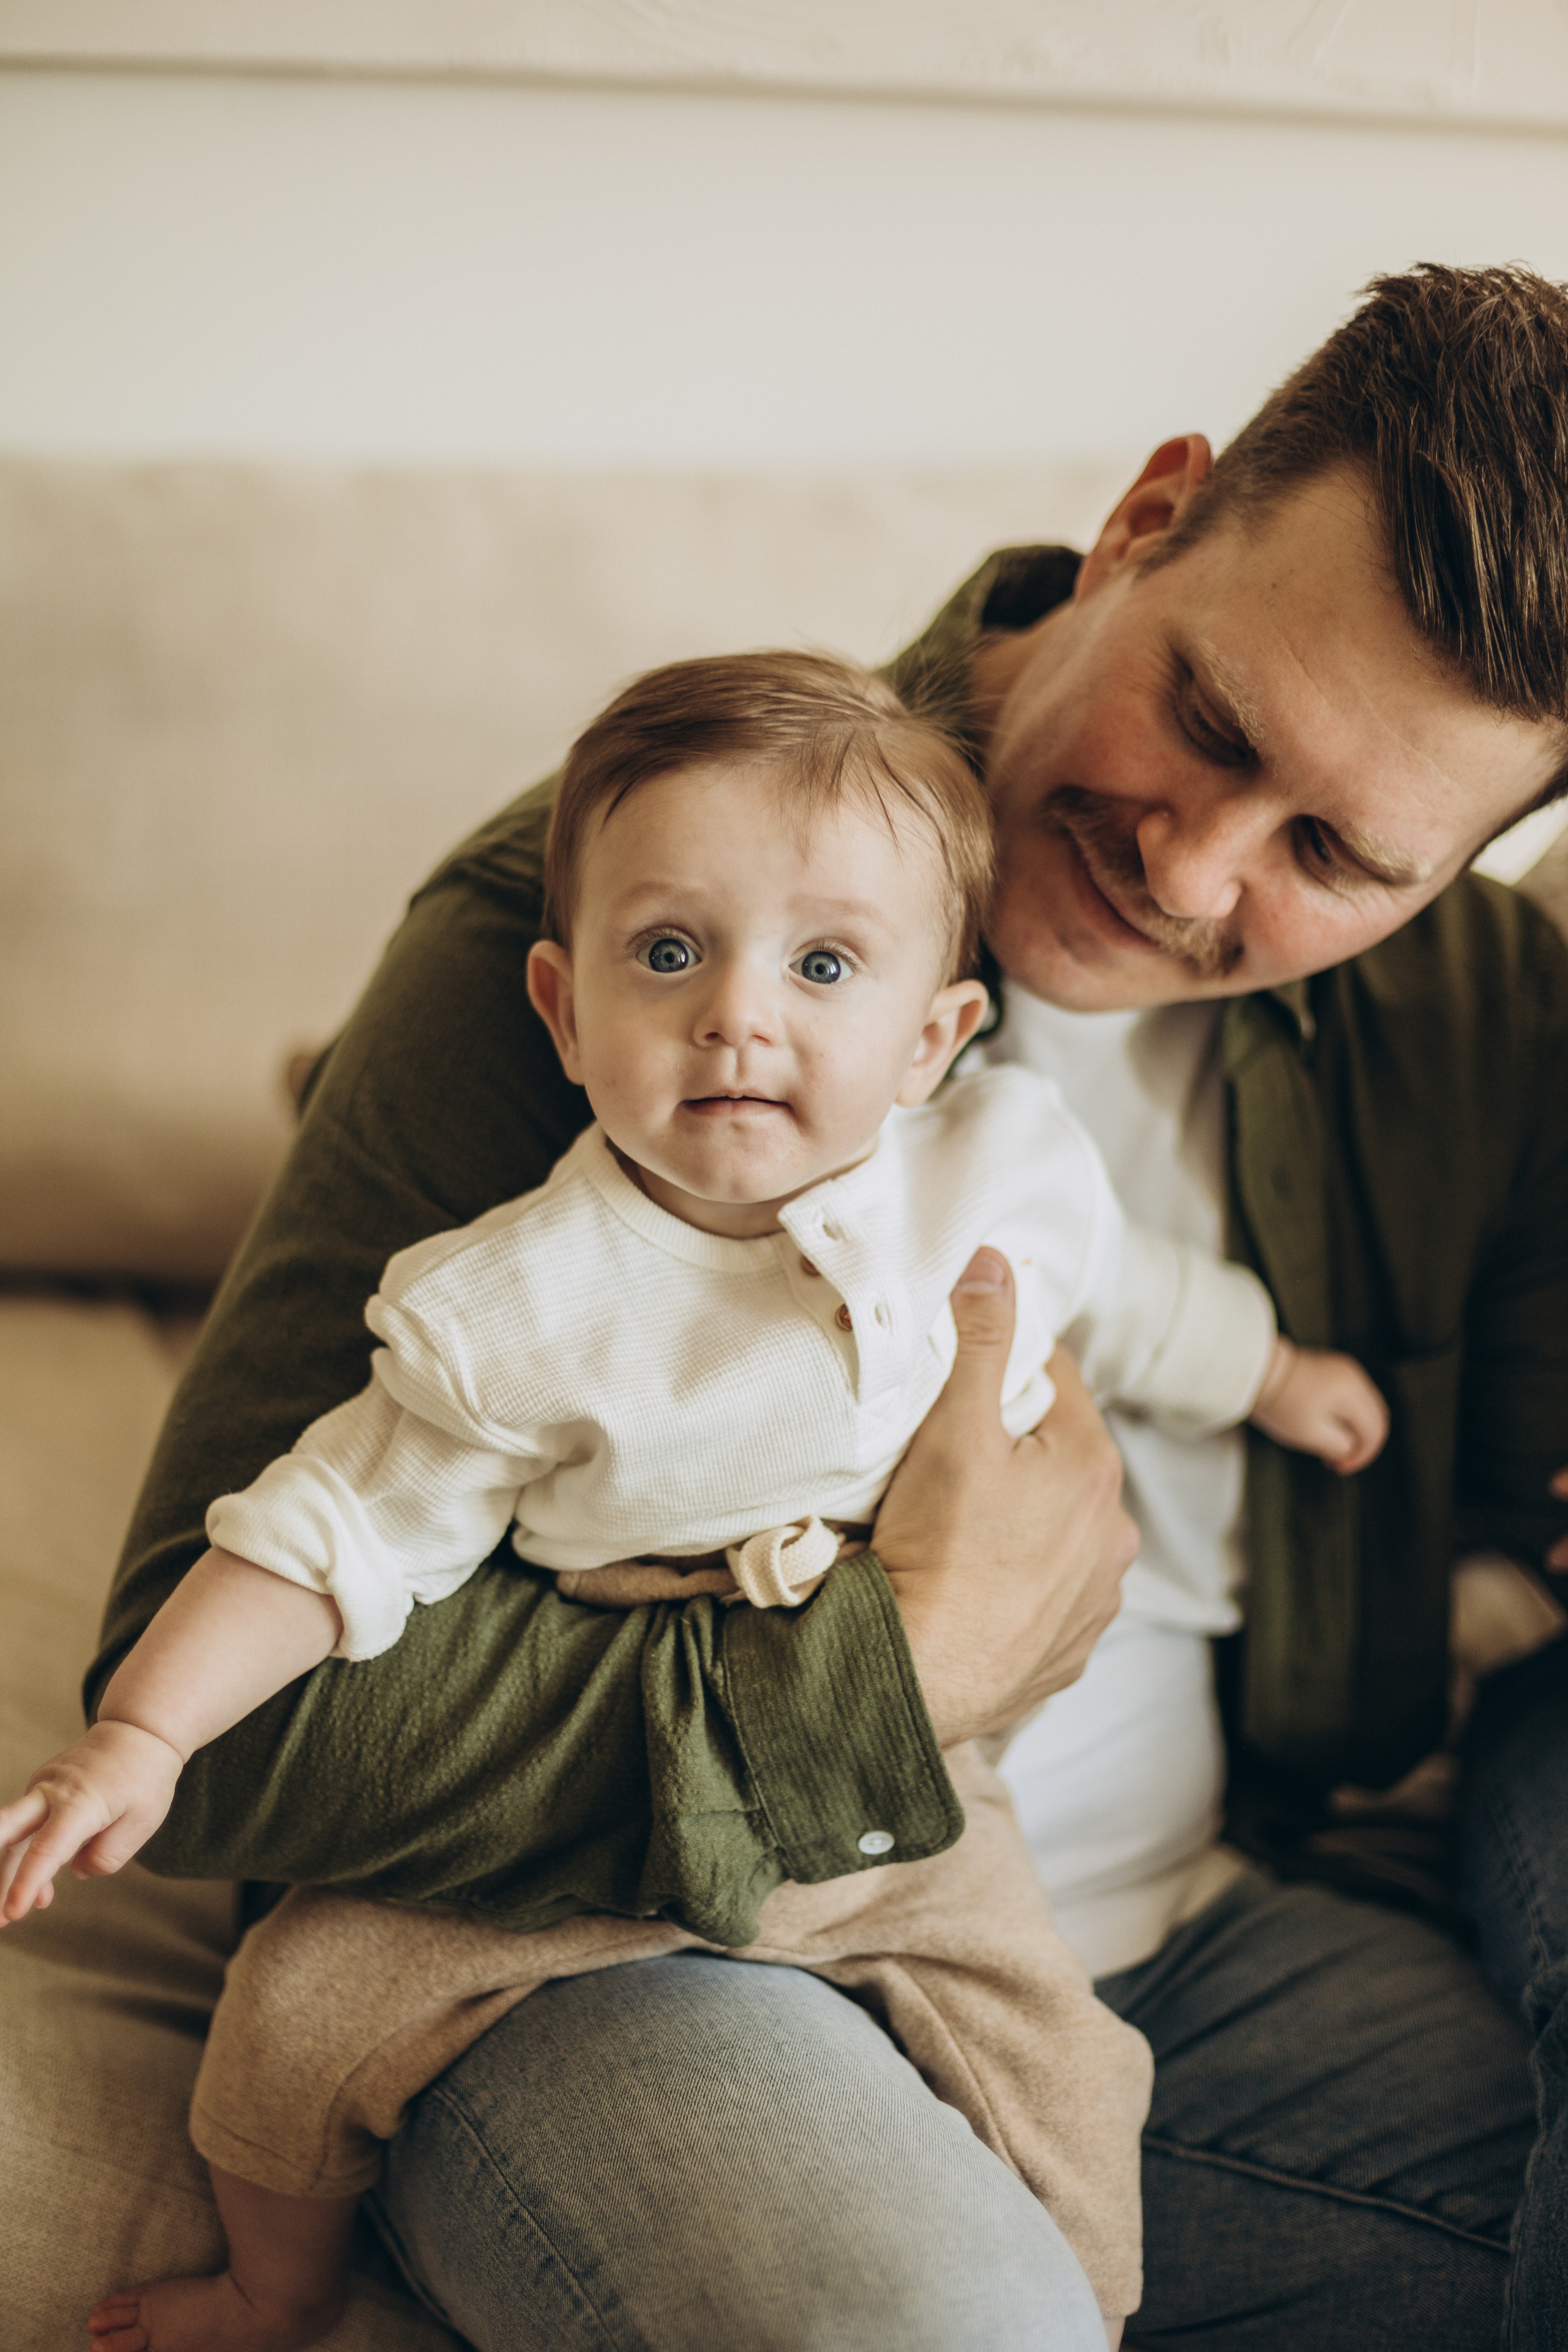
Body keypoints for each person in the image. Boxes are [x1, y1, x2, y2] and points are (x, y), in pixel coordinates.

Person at [58, 264, 1568, 2349]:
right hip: (631, 1946)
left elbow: (1514, 1499)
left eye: (1337, 848)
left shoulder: (1469, 1012)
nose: (1196, 868)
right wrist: (898, 1668)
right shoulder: (629, 950)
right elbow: (228, 1742)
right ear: (1147, 518)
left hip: (1144, 1934)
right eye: (1213, 723)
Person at [1, 651, 1390, 2352]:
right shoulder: (522, 1303)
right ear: (565, 1013)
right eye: (671, 954)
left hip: (921, 1816)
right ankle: (269, 2293)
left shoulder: (991, 1166)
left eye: (823, 965)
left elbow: (1131, 1293)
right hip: (597, 1828)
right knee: (292, 2010)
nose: (742, 1011)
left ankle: (1087, 2311)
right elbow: (330, 1528)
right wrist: (141, 1734)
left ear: (932, 1036)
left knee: (1078, 2077)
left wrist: (1272, 1374)